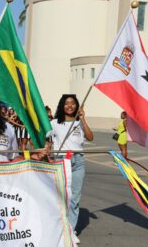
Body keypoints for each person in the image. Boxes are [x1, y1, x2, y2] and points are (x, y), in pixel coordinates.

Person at [50, 94, 93, 245]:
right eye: (66, 103)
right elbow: (47, 140)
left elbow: (90, 137)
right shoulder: (54, 123)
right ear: (62, 105)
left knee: (74, 198)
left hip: (78, 162)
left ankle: (71, 230)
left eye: (73, 103)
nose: (70, 106)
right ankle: (59, 228)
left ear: (77, 106)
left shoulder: (79, 123)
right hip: (61, 160)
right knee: (61, 197)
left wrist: (83, 119)